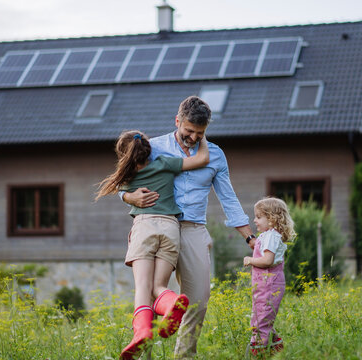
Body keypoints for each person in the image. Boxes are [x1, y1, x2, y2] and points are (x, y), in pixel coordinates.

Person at [122, 96, 255, 359]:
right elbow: (123, 179)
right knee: (147, 292)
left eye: (200, 133)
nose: (193, 137)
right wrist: (129, 197)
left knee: (198, 300)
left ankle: (184, 355)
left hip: (192, 228)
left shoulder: (214, 155)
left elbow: (227, 198)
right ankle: (143, 354)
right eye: (188, 131)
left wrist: (250, 237)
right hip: (154, 223)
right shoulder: (154, 147)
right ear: (177, 121)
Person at [96, 130, 210, 360]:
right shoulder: (165, 163)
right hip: (170, 228)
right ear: (149, 149)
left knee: (143, 288)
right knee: (158, 286)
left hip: (145, 227)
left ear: (124, 156)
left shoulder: (125, 176)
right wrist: (203, 136)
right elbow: (201, 160)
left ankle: (141, 332)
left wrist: (129, 196)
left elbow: (117, 189)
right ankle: (171, 304)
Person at [243, 197, 296, 355]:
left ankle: (258, 353)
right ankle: (277, 350)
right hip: (263, 285)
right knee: (260, 317)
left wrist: (250, 260)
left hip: (269, 285)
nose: (255, 220)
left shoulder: (272, 236)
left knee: (261, 321)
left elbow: (268, 260)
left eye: (259, 217)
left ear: (272, 219)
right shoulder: (266, 235)